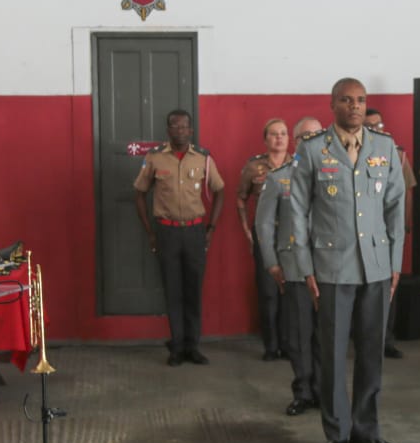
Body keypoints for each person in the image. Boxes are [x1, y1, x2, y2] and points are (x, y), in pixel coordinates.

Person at [287, 79, 405, 443]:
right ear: (332, 104)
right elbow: (297, 211)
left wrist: (395, 263)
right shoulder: (312, 149)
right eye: (346, 100)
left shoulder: (384, 146)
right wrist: (305, 266)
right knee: (334, 354)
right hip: (332, 267)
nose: (355, 106)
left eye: (360, 100)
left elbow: (396, 207)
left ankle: (366, 430)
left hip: (376, 266)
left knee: (372, 353)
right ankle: (337, 433)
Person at [134, 109, 226, 366]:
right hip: (167, 233)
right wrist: (150, 233)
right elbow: (139, 193)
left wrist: (211, 228)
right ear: (168, 130)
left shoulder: (203, 158)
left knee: (193, 290)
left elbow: (220, 190)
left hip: (195, 233)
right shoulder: (155, 158)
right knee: (172, 290)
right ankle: (176, 347)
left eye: (184, 126)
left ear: (191, 130)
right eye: (175, 126)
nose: (180, 131)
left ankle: (192, 346)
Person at [255, 117, 323, 415]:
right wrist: (271, 263)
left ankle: (324, 390)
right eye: (305, 136)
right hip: (293, 265)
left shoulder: (334, 173)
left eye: (316, 135)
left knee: (326, 334)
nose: (311, 140)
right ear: (296, 141)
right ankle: (303, 391)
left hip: (328, 266)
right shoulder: (279, 177)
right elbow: (263, 223)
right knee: (299, 333)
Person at [237, 118, 291, 361]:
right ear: (265, 139)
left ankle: (288, 344)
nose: (279, 138)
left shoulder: (298, 165)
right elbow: (241, 197)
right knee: (268, 292)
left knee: (289, 292)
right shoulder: (254, 167)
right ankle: (271, 346)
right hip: (265, 236)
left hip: (291, 236)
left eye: (283, 133)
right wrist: (246, 230)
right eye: (273, 134)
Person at [365, 107, 415, 358]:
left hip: (386, 233)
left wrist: (404, 226)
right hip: (362, 232)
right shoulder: (350, 154)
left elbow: (406, 193)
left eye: (379, 125)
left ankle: (386, 340)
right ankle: (363, 340)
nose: (375, 130)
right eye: (370, 126)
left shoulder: (395, 154)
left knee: (388, 288)